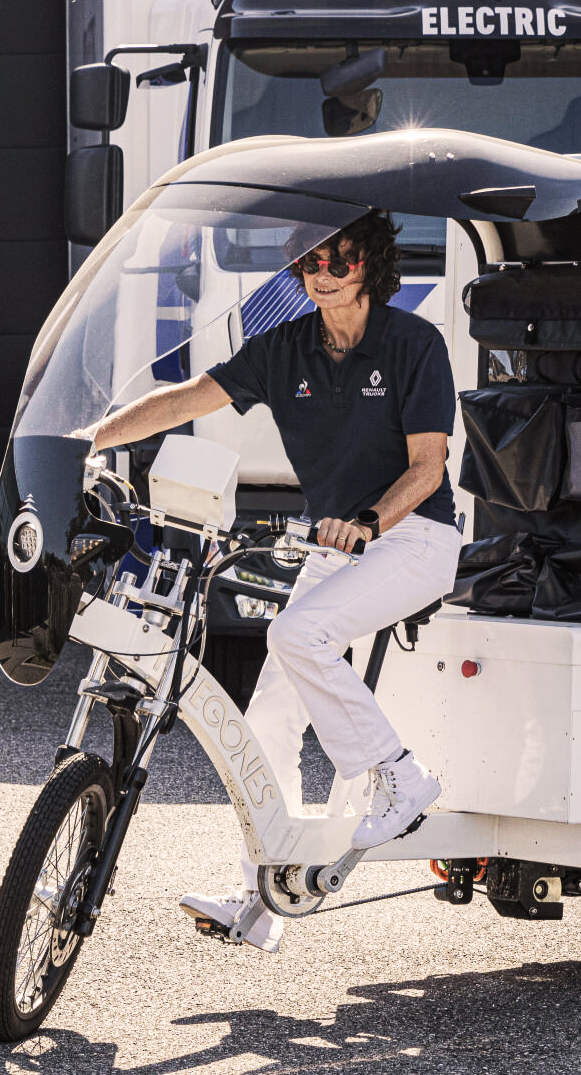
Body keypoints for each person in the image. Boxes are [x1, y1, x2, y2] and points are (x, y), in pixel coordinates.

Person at [77, 209, 462, 954]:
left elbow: (427, 469)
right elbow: (188, 398)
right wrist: (85, 438)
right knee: (267, 720)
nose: (323, 272)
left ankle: (396, 775)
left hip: (412, 537)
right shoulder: (285, 348)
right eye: (310, 262)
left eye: (339, 259)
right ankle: (262, 898)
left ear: (368, 264)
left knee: (295, 632)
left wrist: (367, 521)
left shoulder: (413, 342)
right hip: (339, 547)